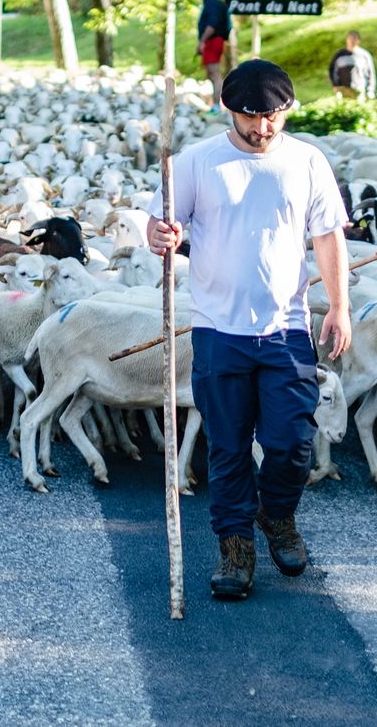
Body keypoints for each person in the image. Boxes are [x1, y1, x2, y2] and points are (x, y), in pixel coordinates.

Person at [147, 60, 350, 601]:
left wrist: (339, 306)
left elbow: (328, 238)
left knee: (293, 441)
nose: (262, 129)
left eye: (274, 117)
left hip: (286, 325)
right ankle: (234, 547)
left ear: (288, 111)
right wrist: (161, 234)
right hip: (218, 327)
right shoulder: (194, 162)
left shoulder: (307, 160)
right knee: (228, 446)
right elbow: (160, 225)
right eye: (251, 117)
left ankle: (277, 514)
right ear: (227, 109)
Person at [196, 0, 231, 111]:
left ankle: (217, 106)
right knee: (212, 73)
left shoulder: (212, 4)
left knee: (215, 73)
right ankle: (216, 105)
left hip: (213, 41)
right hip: (214, 40)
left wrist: (201, 42)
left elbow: (211, 25)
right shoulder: (214, 3)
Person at [329, 31, 377, 100]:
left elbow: (371, 73)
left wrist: (370, 90)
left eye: (355, 38)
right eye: (350, 38)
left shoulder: (364, 55)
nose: (352, 41)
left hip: (360, 89)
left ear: (358, 41)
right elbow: (332, 71)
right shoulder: (339, 55)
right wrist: (336, 86)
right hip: (343, 90)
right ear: (347, 40)